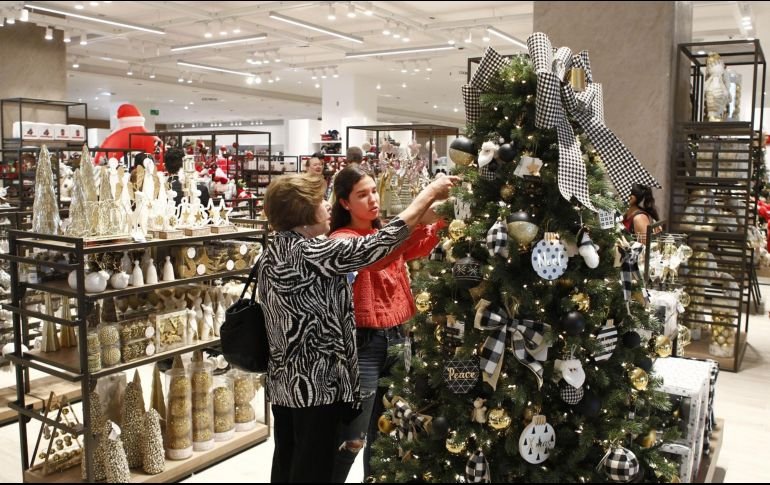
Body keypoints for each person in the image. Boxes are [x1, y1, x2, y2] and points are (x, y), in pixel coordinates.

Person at [258, 172, 459, 483]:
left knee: (290, 461)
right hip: (315, 385)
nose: (327, 207)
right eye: (320, 201)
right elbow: (378, 245)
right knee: (314, 466)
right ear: (303, 213)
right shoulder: (310, 254)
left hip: (288, 384)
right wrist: (429, 192)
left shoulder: (278, 250)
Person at [328, 166, 447, 482]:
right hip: (364, 344)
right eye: (361, 195)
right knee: (352, 437)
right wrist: (426, 201)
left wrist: (441, 217)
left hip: (397, 338)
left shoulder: (381, 234)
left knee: (387, 431)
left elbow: (418, 245)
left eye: (373, 191)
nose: (372, 200)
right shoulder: (343, 239)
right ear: (344, 203)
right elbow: (381, 253)